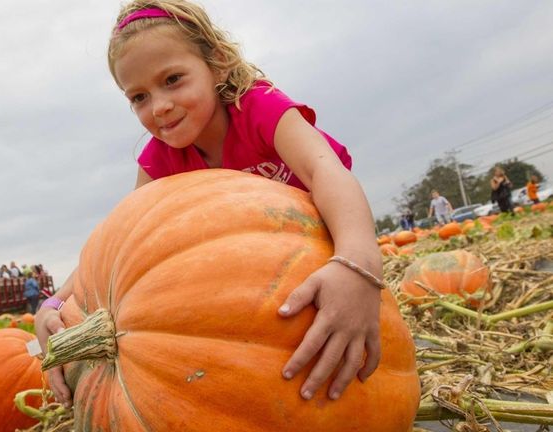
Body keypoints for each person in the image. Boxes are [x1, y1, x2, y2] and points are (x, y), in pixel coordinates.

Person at [36, 0, 383, 408]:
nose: (159, 106)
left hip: (325, 267)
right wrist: (55, 304)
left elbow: (326, 171)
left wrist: (357, 265)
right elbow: (118, 249)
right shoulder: (159, 159)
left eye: (173, 79)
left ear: (216, 63)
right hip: (258, 300)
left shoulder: (259, 107)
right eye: (139, 97)